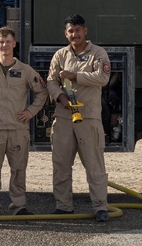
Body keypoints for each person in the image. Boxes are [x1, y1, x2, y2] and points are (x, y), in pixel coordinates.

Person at [46, 14, 111, 221]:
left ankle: (100, 207)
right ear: (66, 34)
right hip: (64, 117)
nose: (75, 34)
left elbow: (103, 77)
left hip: (89, 117)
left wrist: (75, 76)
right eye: (70, 31)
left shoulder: (98, 53)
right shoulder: (60, 55)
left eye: (78, 30)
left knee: (94, 164)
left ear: (85, 31)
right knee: (61, 164)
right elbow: (51, 81)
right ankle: (63, 206)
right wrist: (61, 98)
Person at [0, 27, 48, 216]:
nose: (5, 45)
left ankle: (18, 206)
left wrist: (30, 111)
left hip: (18, 129)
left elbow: (42, 92)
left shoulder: (25, 70)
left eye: (8, 41)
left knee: (18, 170)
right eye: (1, 41)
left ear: (14, 44)